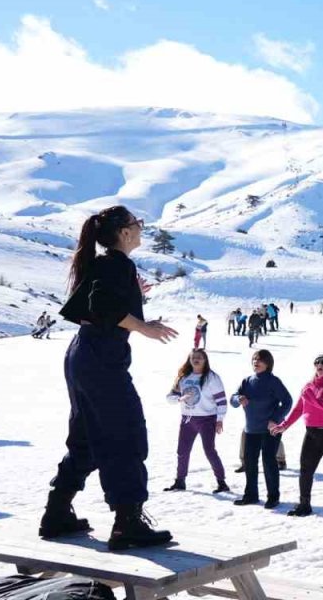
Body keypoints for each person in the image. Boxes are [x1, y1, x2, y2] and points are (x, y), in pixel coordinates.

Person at [42, 205, 177, 551]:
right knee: (125, 432)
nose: (141, 229)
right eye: (137, 224)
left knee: (86, 435)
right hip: (100, 358)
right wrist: (142, 326)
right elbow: (102, 305)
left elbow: (90, 306)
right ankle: (127, 522)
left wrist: (133, 299)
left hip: (83, 355)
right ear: (124, 232)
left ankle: (57, 512)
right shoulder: (117, 264)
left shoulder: (106, 264)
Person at [272, 355, 323, 519]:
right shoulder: (309, 385)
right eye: (316, 363)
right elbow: (299, 409)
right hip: (313, 432)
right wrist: (284, 425)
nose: (319, 365)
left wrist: (310, 397)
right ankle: (304, 504)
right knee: (306, 470)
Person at [230, 349, 292, 510]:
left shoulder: (273, 381)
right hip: (251, 429)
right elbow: (233, 398)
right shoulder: (247, 381)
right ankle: (251, 495)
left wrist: (275, 420)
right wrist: (239, 398)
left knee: (268, 461)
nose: (256, 362)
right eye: (254, 359)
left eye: (260, 360)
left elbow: (287, 401)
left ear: (268, 363)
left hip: (270, 430)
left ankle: (273, 497)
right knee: (250, 462)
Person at [164, 349, 229, 494]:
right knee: (182, 451)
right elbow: (169, 397)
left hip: (207, 419)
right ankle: (180, 481)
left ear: (205, 360)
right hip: (188, 419)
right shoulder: (183, 377)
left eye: (200, 357)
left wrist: (219, 420)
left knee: (209, 450)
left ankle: (222, 482)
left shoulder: (212, 378)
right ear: (189, 360)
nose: (196, 360)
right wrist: (179, 398)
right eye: (194, 357)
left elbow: (222, 401)